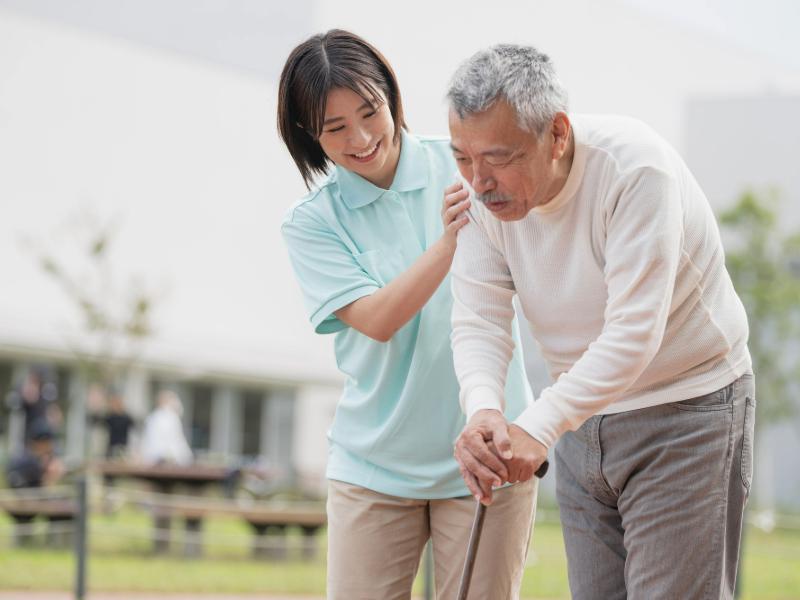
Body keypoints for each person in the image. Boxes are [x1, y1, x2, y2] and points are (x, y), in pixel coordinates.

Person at [446, 44, 755, 600]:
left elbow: (634, 333)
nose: (479, 180)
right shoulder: (478, 201)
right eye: (462, 157)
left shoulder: (635, 171)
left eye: (497, 157)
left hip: (687, 408)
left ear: (557, 134)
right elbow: (479, 318)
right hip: (581, 418)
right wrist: (484, 409)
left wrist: (537, 425)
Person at [279, 30, 536, 600]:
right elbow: (376, 318)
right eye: (335, 128)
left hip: (486, 453)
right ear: (308, 134)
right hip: (373, 467)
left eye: (370, 112)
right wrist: (447, 245)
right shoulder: (313, 222)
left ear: (391, 97)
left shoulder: (463, 165)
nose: (363, 137)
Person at [5, 418, 64, 489]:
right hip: (25, 497)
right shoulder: (23, 461)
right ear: (40, 443)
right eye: (48, 442)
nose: (51, 446)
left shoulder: (40, 458)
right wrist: (49, 474)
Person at [139, 390, 192, 466]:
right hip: (162, 457)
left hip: (157, 457)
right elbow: (173, 439)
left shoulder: (156, 416)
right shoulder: (168, 417)